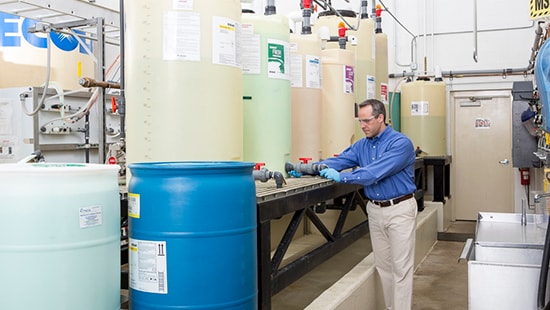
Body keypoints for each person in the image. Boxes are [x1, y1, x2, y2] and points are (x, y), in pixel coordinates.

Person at [319, 98, 417, 310]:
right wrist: (311, 167)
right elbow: (340, 161)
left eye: (366, 121)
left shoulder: (400, 144)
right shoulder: (362, 145)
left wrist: (343, 178)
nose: (362, 126)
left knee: (401, 269)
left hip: (399, 209)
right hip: (375, 209)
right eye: (360, 121)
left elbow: (375, 172)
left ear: (380, 118)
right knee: (384, 267)